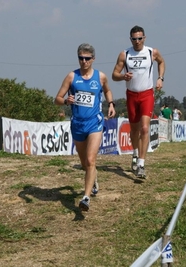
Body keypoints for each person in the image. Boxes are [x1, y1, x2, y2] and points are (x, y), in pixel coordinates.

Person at [55, 43, 116, 212]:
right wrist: (66, 101)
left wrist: (111, 104)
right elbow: (57, 99)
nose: (84, 61)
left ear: (93, 59)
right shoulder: (71, 77)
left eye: (87, 58)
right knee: (84, 164)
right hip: (77, 124)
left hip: (95, 123)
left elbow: (108, 91)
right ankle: (93, 178)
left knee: (90, 160)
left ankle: (86, 197)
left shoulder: (100, 77)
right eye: (81, 58)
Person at [112, 25, 165, 178]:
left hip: (147, 94)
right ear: (131, 39)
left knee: (144, 128)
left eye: (140, 38)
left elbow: (162, 63)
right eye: (134, 39)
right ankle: (135, 153)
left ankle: (141, 163)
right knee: (134, 130)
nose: (137, 41)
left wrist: (160, 78)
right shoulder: (125, 54)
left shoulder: (151, 52)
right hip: (131, 95)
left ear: (144, 38)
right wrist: (123, 76)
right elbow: (114, 74)